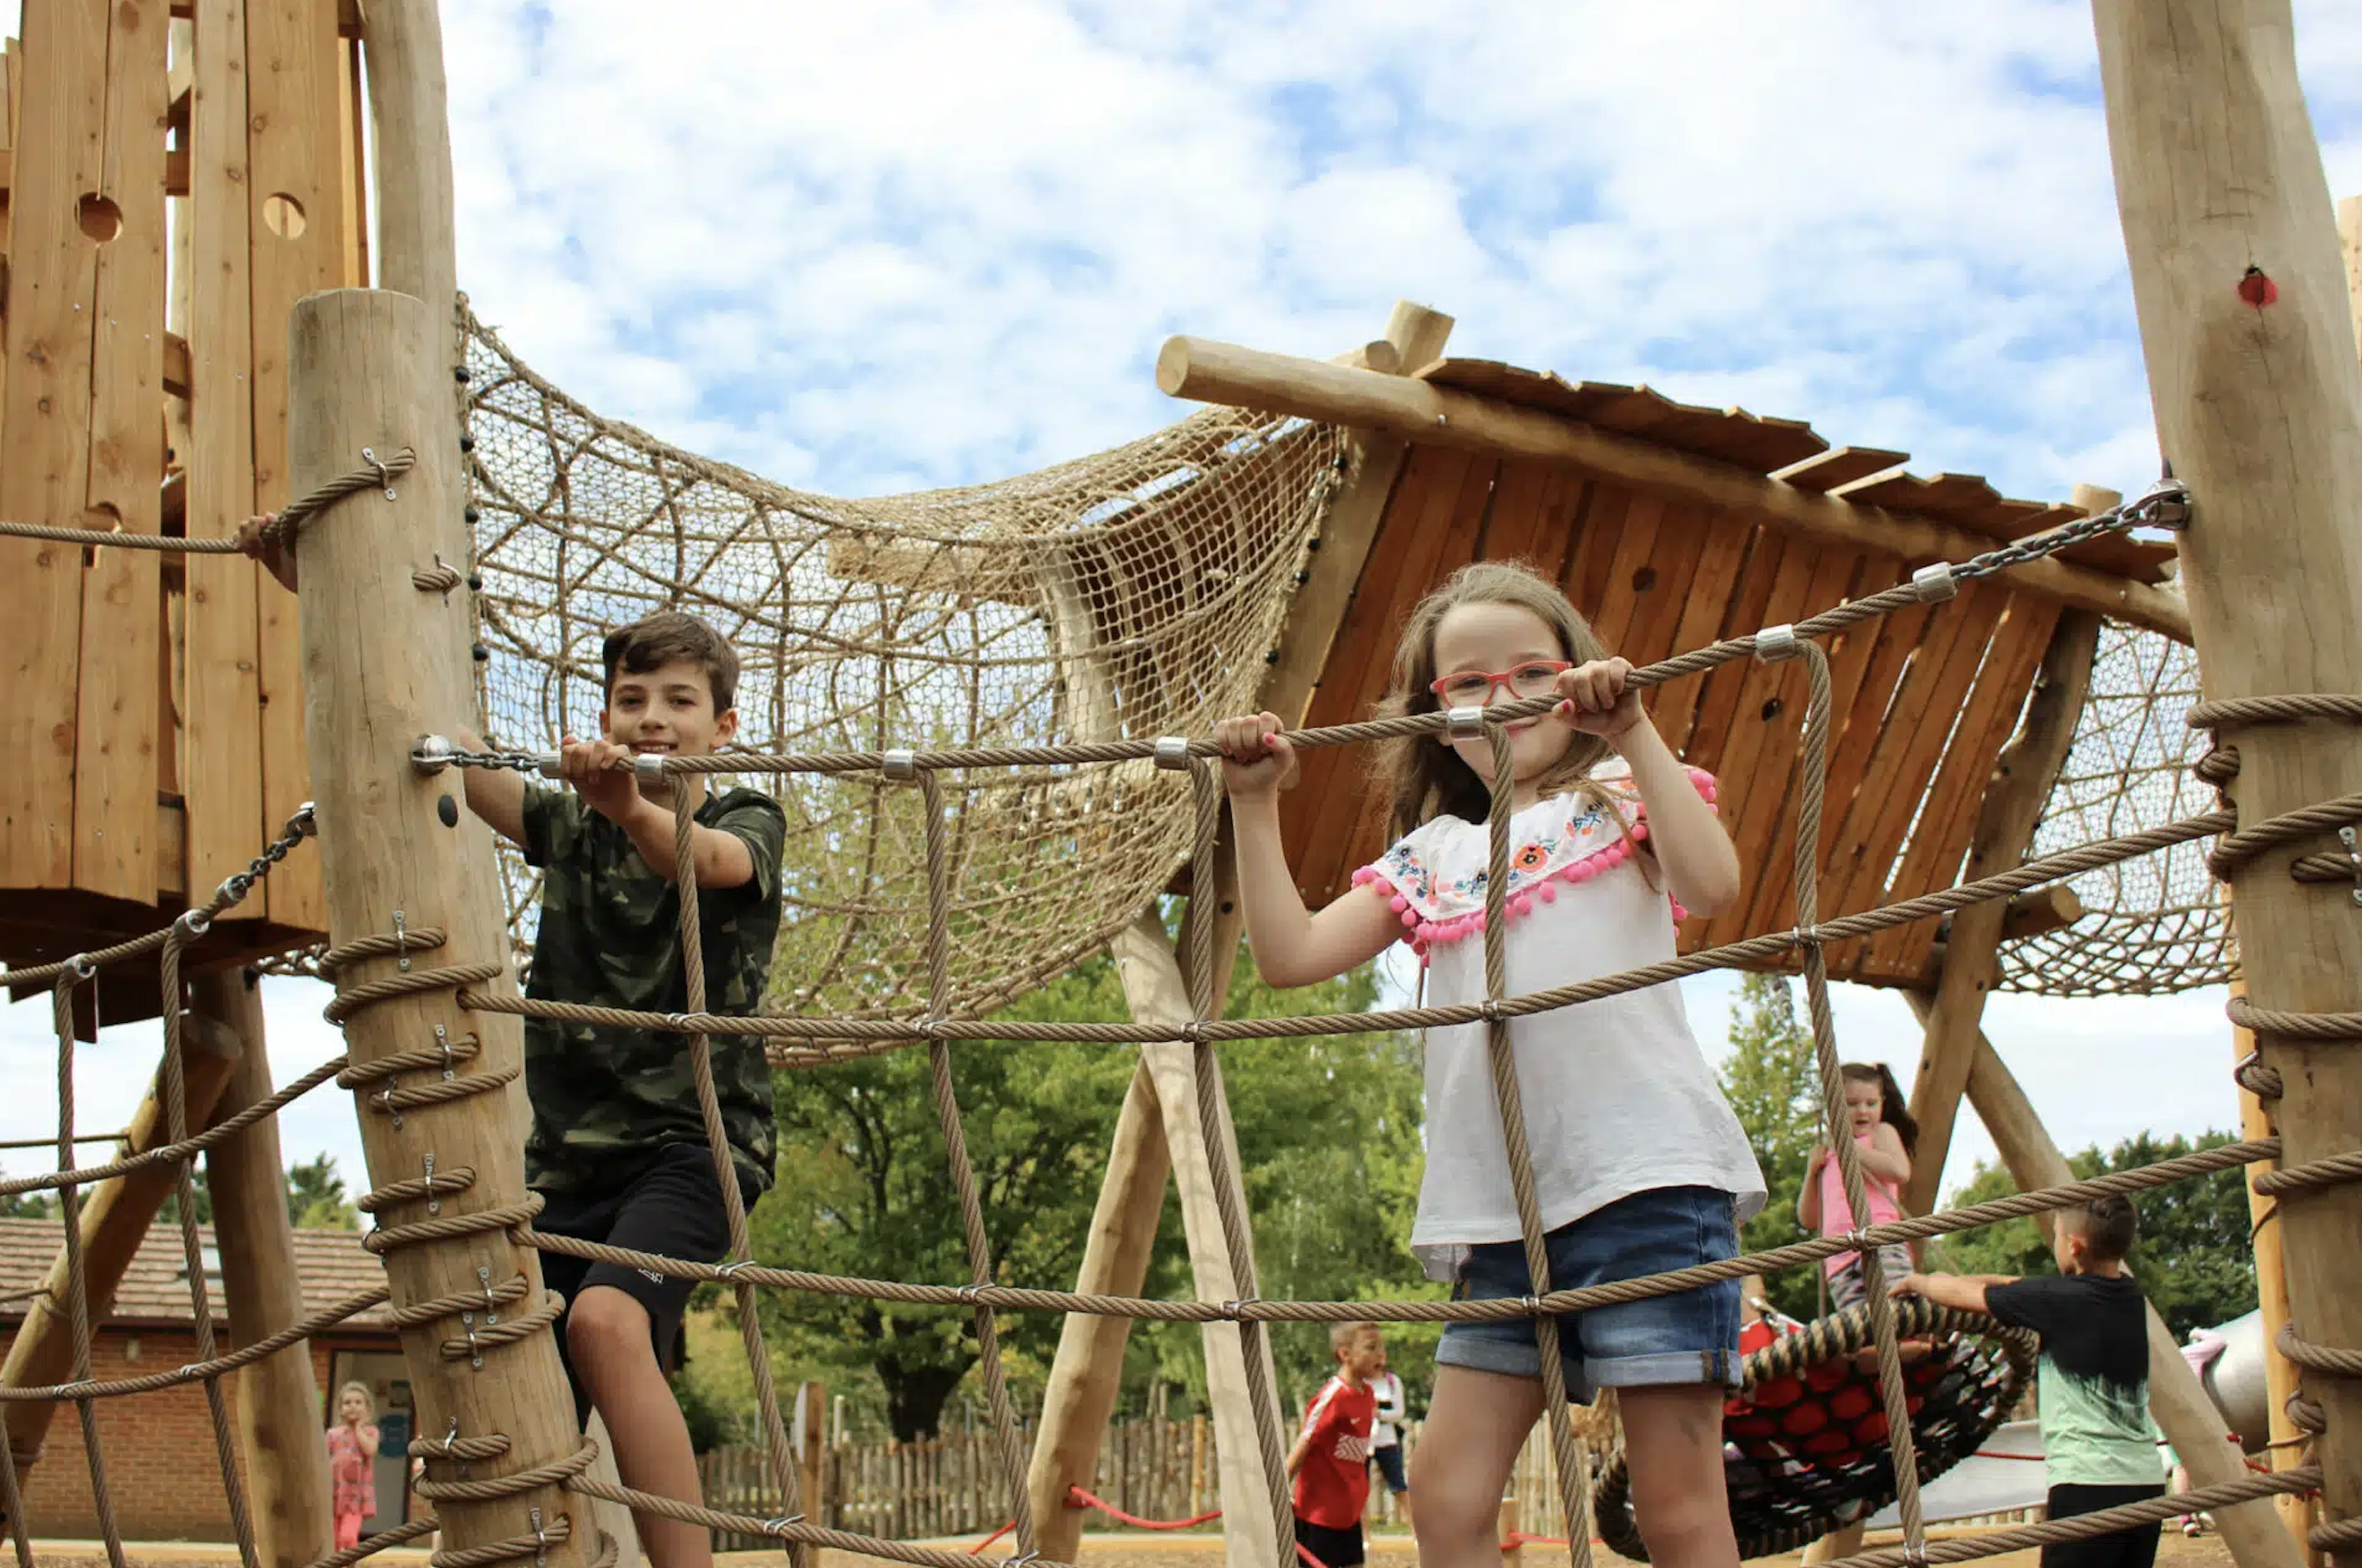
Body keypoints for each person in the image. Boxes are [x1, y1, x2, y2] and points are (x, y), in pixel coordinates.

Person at [241, 513, 783, 1568]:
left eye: (680, 701)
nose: (655, 717)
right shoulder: (570, 820)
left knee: (608, 1326)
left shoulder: (750, 812)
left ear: (723, 726)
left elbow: (708, 862)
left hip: (692, 1147)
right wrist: (327, 594)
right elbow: (438, 744)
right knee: (515, 1385)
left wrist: (629, 808)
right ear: (604, 714)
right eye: (634, 699)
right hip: (563, 1163)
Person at [1216, 559, 1763, 1568]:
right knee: (1445, 1493)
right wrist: (1255, 802)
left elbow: (1714, 884)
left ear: (1576, 675)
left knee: (1675, 1503)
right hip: (1501, 1214)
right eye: (1467, 682)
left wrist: (1633, 730)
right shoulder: (1433, 855)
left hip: (1644, 1183)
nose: (1501, 696)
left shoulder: (1614, 795)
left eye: (1529, 671)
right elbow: (1289, 958)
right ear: (1436, 714)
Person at [1895, 1195, 2165, 1568]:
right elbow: (2011, 1283)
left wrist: (1919, 1281)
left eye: (2055, 1235)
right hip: (2147, 1483)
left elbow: (1963, 1296)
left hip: (2089, 1484)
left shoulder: (2058, 1301)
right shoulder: (2130, 1295)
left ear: (2073, 1245)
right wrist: (1954, 1280)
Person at [1796, 1063, 1918, 1311]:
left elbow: (1900, 1171)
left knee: (1903, 1312)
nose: (1862, 1111)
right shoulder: (1827, 1152)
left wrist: (1853, 1152)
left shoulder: (1880, 1134)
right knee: (1864, 1334)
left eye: (1871, 1103)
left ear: (1882, 1102)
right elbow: (1809, 1219)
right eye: (1852, 1104)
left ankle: (1945, 1347)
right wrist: (1812, 1173)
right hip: (1840, 1260)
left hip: (1880, 1243)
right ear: (1832, 1105)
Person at [1290, 1322, 1384, 1567]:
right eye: (1371, 1347)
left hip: (1348, 1514)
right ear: (1345, 1354)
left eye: (1381, 1347)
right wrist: (1279, 1493)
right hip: (1318, 1516)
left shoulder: (1367, 1395)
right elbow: (1304, 1443)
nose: (1380, 1354)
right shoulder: (1332, 1397)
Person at [325, 1381, 380, 1552]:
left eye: (358, 1402)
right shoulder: (333, 1434)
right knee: (333, 1540)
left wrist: (358, 1427)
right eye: (347, 1403)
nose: (352, 1407)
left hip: (355, 1498)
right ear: (340, 1409)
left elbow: (370, 1450)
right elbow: (324, 1461)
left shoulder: (370, 1432)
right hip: (335, 1494)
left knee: (348, 1537)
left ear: (367, 1409)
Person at [1366, 1340, 1412, 1529]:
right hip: (1364, 1441)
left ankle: (1415, 1532)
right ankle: (1364, 1536)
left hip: (1387, 1439)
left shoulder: (1392, 1382)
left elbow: (1399, 1413)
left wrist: (1379, 1414)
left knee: (1399, 1486)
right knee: (1360, 1490)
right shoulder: (1360, 1382)